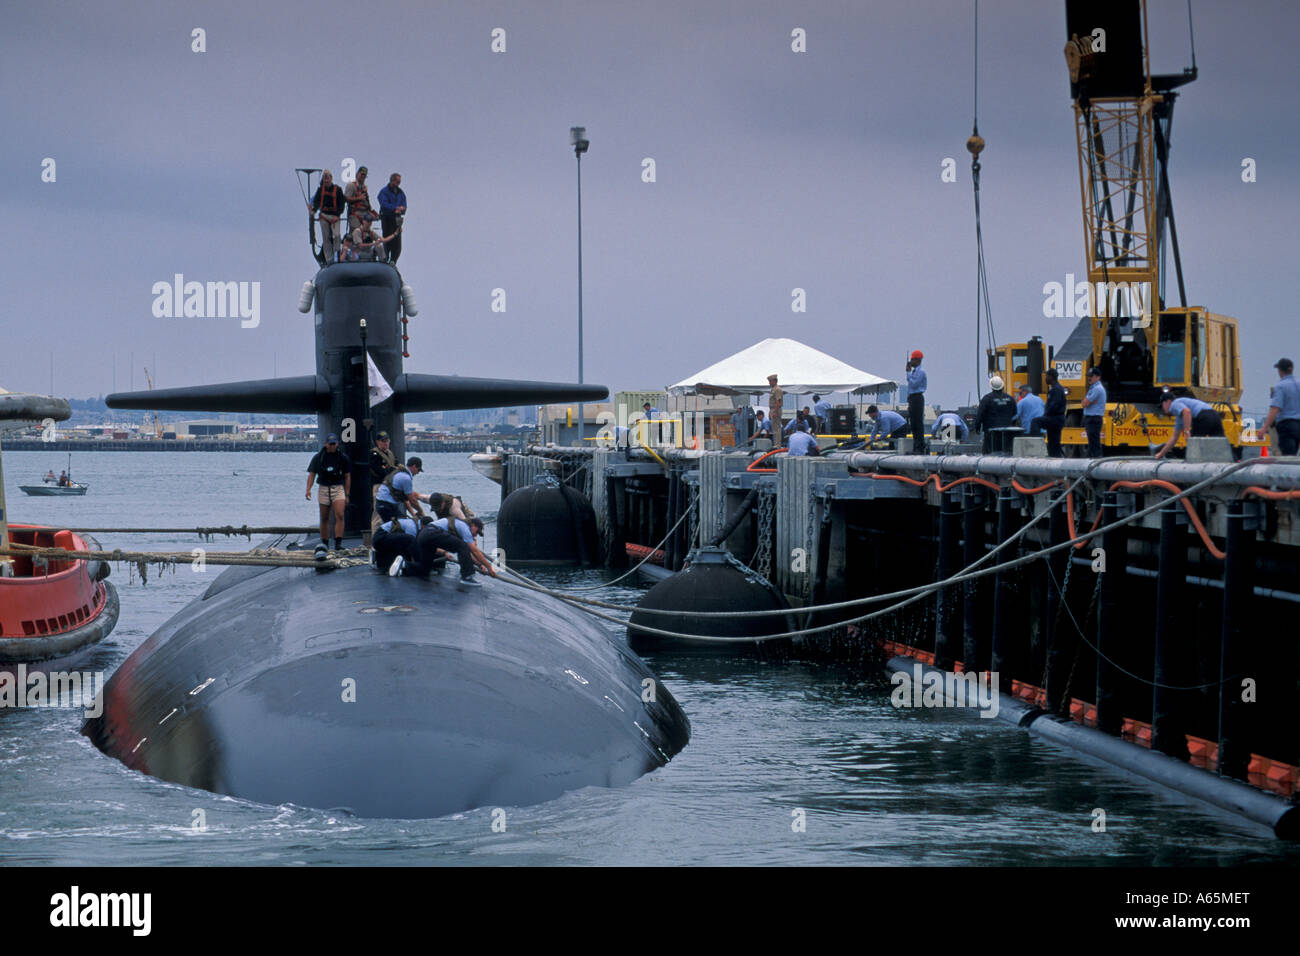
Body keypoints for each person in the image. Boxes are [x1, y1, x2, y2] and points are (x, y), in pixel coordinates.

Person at [305, 433, 350, 551]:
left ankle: (338, 544)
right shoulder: (318, 457)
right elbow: (312, 474)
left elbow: (347, 476)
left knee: (340, 514)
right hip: (323, 488)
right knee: (324, 517)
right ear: (326, 444)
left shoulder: (343, 458)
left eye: (334, 443)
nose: (333, 446)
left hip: (337, 488)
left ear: (337, 444)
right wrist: (308, 489)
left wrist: (347, 494)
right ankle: (324, 542)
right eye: (331, 444)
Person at [1154, 389, 1225, 459]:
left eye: (1162, 405)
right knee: (1221, 445)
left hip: (1203, 416)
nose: (1163, 409)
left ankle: (1195, 463)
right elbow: (1174, 438)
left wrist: (1187, 432)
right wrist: (1161, 454)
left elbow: (1187, 412)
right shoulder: (1179, 417)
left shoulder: (1174, 404)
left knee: (1194, 445)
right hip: (1215, 416)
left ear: (1167, 402)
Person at [428, 515, 497, 586]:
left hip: (427, 535)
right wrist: (489, 567)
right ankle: (467, 577)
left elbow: (468, 553)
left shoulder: (460, 527)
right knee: (464, 546)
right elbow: (474, 551)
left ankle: (430, 567)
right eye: (477, 532)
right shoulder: (464, 528)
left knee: (426, 568)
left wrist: (480, 565)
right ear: (473, 525)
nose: (476, 535)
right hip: (431, 533)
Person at [1261, 357, 1300, 456]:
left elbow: (1275, 408)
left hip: (1287, 426)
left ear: (1280, 370)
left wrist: (1264, 428)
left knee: (1288, 457)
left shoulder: (1281, 386)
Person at [973, 376, 1018, 454]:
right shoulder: (1010, 399)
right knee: (1007, 453)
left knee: (990, 453)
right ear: (1003, 386)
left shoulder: (987, 399)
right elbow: (1015, 415)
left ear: (991, 386)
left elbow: (980, 414)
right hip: (1007, 432)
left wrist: (977, 426)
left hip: (991, 433)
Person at [311, 169, 347, 263]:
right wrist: (314, 211)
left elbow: (341, 204)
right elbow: (317, 202)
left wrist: (338, 215)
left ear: (331, 178)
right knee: (326, 238)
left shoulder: (338, 190)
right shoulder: (320, 190)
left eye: (328, 178)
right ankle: (329, 259)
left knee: (336, 237)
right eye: (324, 179)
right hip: (324, 216)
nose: (326, 181)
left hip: (335, 217)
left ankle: (336, 257)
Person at [372, 512, 418, 576]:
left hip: (380, 540)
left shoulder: (410, 522)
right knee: (410, 540)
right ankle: (406, 564)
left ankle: (386, 566)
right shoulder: (412, 526)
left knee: (403, 542)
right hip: (380, 538)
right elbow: (412, 545)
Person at [376, 173, 406, 264]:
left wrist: (402, 209)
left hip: (397, 220)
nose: (398, 184)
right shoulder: (384, 191)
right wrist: (394, 208)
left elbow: (404, 205)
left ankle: (393, 260)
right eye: (397, 182)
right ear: (392, 181)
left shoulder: (401, 193)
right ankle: (385, 258)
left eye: (399, 182)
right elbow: (383, 203)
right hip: (387, 218)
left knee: (397, 241)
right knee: (387, 238)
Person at [1038, 368, 1067, 458]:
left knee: (1036, 422)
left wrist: (1046, 416)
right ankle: (1054, 458)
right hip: (1056, 418)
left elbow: (1054, 405)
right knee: (1053, 442)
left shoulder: (1056, 390)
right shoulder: (1056, 389)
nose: (1045, 378)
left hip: (1055, 419)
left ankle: (1034, 445)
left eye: (1047, 376)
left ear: (1051, 377)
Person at [1081, 367, 1107, 458]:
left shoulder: (1097, 389)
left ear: (1098, 377)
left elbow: (1085, 403)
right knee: (1092, 442)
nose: (1089, 378)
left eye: (1091, 376)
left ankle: (1097, 460)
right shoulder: (1093, 388)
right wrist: (1088, 402)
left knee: (1094, 442)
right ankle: (1095, 459)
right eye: (1089, 376)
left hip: (1094, 418)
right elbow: (1084, 403)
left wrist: (1087, 401)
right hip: (1091, 418)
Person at [905, 350, 927, 454]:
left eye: (912, 359)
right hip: (912, 398)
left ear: (917, 360)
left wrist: (908, 373)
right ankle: (915, 447)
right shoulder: (914, 372)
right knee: (913, 424)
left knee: (918, 423)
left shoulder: (921, 372)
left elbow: (913, 384)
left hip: (917, 398)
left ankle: (920, 448)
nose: (911, 362)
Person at [345, 166, 377, 233]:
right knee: (356, 234)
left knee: (365, 235)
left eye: (364, 175)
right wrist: (358, 198)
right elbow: (346, 198)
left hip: (365, 215)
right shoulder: (351, 185)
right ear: (357, 174)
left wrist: (371, 213)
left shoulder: (364, 187)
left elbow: (366, 202)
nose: (363, 177)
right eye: (362, 174)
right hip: (355, 214)